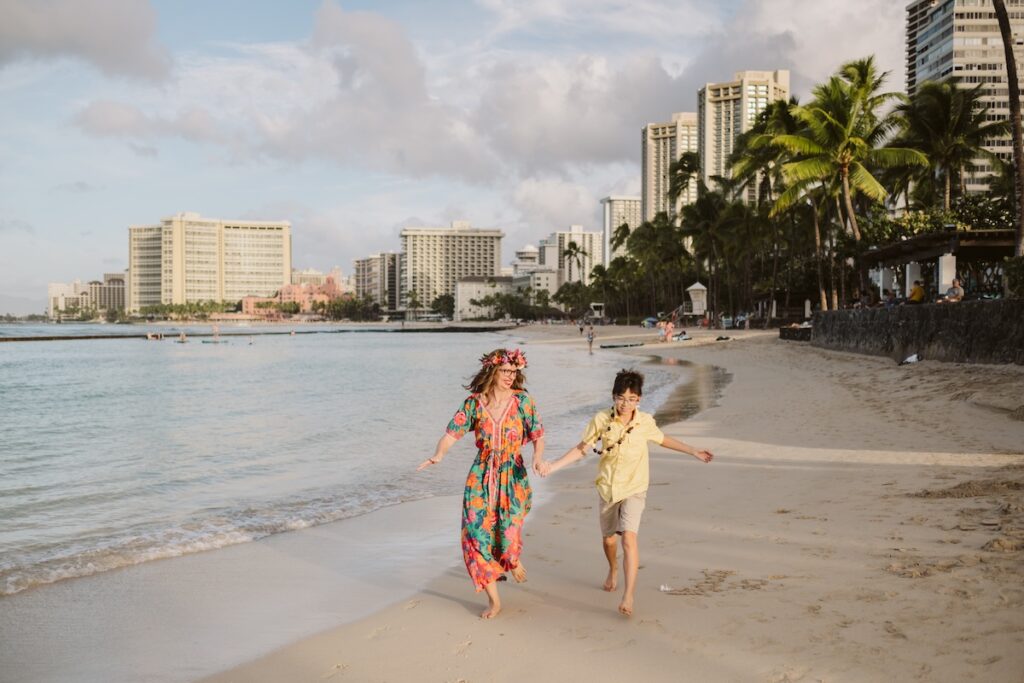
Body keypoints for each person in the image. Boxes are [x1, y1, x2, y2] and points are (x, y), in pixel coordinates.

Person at [537, 369, 713, 617]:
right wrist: (553, 466)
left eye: (631, 399)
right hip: (608, 487)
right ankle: (613, 568)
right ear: (613, 396)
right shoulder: (601, 420)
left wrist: (693, 450)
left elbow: (664, 439)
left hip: (635, 487)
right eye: (621, 398)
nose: (625, 404)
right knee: (609, 539)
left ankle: (628, 596)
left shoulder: (645, 423)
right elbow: (582, 448)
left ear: (639, 399)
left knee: (628, 539)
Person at [417, 348, 545, 619]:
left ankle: (512, 558)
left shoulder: (524, 402)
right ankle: (494, 601)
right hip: (481, 476)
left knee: (508, 535)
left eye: (514, 371)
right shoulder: (474, 403)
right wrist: (439, 454)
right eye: (505, 371)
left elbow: (538, 434)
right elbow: (451, 434)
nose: (510, 376)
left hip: (513, 476)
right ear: (492, 371)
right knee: (476, 535)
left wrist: (538, 458)